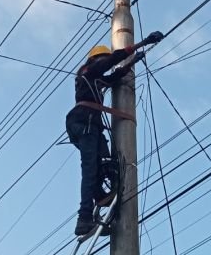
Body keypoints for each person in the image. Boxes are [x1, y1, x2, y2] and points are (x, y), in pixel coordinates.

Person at [67, 31, 165, 236]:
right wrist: (141, 43)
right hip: (83, 123)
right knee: (90, 169)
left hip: (90, 126)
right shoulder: (86, 72)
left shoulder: (96, 80)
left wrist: (131, 63)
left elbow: (112, 77)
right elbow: (109, 63)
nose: (106, 62)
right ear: (94, 60)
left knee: (101, 162)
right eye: (102, 59)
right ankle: (84, 218)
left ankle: (97, 202)